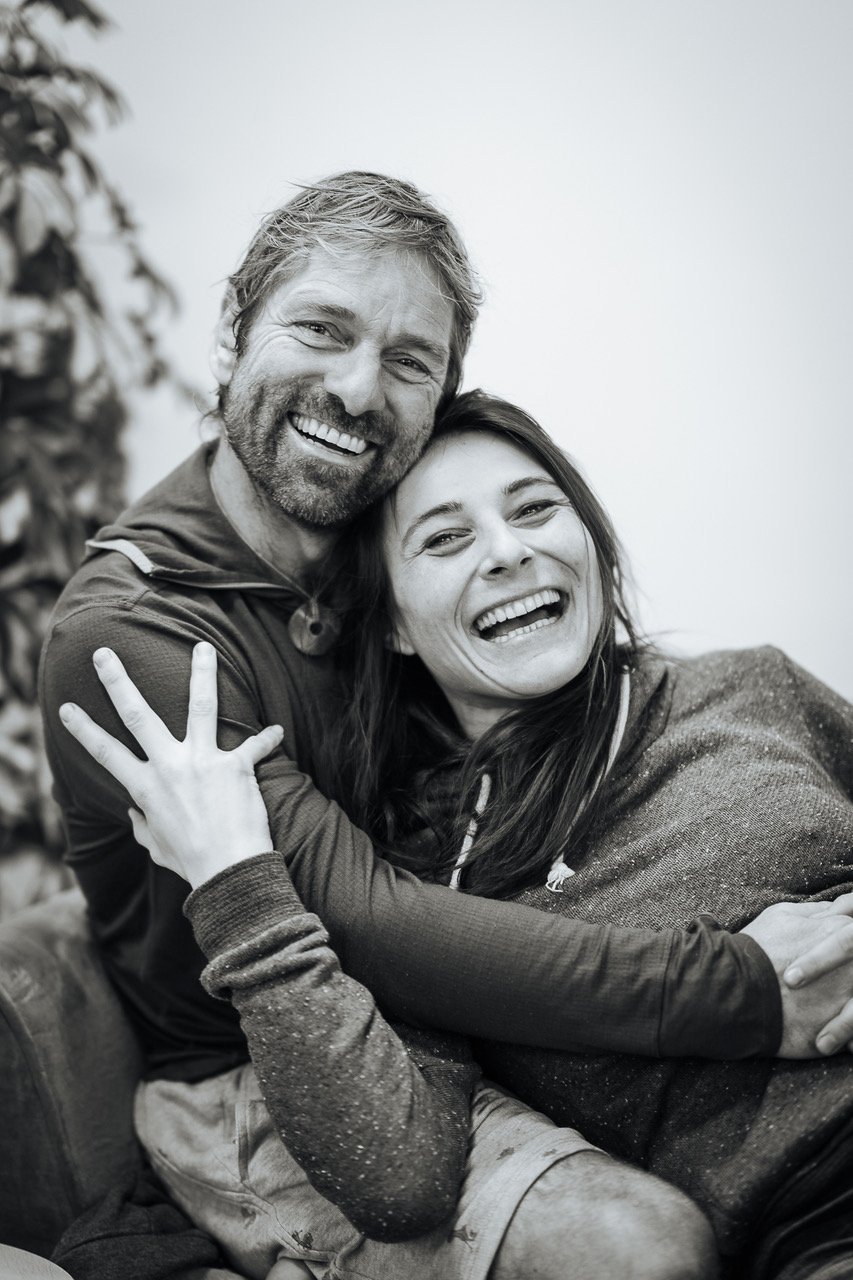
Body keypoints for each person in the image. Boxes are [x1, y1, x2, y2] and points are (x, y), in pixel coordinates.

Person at [41, 174, 853, 1278]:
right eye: (320, 328)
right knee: (631, 1244)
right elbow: (367, 919)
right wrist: (744, 991)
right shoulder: (132, 634)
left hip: (429, 993)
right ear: (235, 327)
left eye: (409, 360)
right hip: (259, 1054)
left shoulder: (374, 541)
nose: (356, 387)